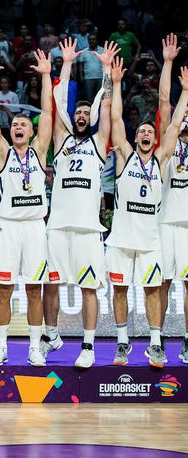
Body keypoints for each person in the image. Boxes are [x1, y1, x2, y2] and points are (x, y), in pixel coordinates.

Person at [107, 56, 188, 368]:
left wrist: (186, 94)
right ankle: (122, 342)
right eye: (141, 131)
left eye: (149, 133)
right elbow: (115, 122)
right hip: (121, 239)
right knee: (120, 290)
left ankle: (156, 344)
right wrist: (115, 84)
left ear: (156, 140)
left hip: (152, 239)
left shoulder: (161, 160)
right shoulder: (125, 156)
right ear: (136, 136)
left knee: (153, 290)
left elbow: (174, 120)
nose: (145, 134)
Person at [40, 38, 116, 369]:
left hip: (87, 228)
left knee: (89, 288)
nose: (82, 115)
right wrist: (66, 63)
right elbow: (56, 107)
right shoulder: (62, 139)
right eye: (79, 112)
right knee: (50, 284)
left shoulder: (99, 145)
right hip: (57, 226)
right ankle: (52, 337)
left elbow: (109, 107)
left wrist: (108, 73)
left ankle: (88, 346)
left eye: (87, 112)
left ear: (93, 117)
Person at [0, 50, 53, 367]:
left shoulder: (39, 150)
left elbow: (49, 114)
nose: (18, 127)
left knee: (35, 290)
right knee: (4, 290)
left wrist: (46, 76)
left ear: (32, 131)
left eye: (24, 124)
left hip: (35, 227)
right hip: (8, 227)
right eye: (15, 124)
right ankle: (1, 348)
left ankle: (35, 347)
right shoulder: (2, 153)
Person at [157, 34, 188, 363]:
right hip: (165, 220)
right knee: (163, 283)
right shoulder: (168, 142)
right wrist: (167, 62)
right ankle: (159, 337)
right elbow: (166, 103)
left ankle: (187, 339)